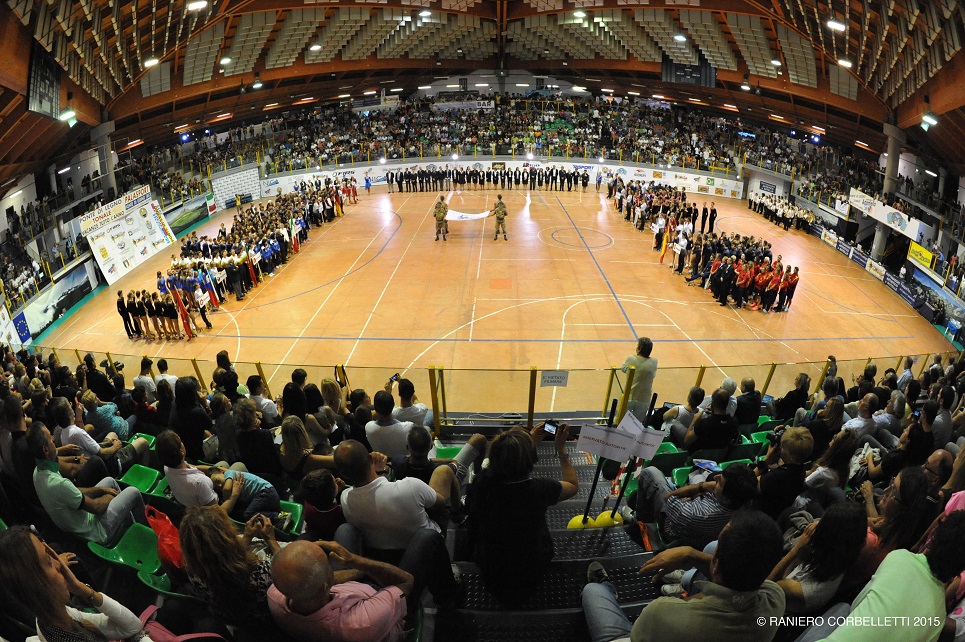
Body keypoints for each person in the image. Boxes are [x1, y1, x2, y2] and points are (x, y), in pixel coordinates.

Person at [582, 510, 785, 642]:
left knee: (592, 591)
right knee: (711, 547)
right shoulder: (776, 599)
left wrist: (691, 554)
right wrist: (692, 554)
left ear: (716, 566)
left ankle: (604, 586)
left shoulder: (661, 611)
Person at [800, 511, 965, 642]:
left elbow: (857, 605)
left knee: (843, 608)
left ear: (935, 538)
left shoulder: (899, 557)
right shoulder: (939, 616)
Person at [333, 440, 459, 609]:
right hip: (423, 545)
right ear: (370, 458)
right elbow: (439, 503)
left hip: (382, 552)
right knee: (443, 472)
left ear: (344, 475)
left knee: (345, 528)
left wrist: (382, 473)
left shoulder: (346, 498)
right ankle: (460, 513)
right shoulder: (411, 486)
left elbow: (377, 497)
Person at [466, 424, 577, 606]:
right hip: (531, 568)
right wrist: (561, 449)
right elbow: (572, 485)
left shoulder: (480, 484)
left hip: (491, 568)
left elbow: (499, 465)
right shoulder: (541, 489)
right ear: (531, 459)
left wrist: (527, 443)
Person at [0, 526, 148, 642]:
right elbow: (133, 629)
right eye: (48, 560)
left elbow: (132, 627)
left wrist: (80, 587)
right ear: (34, 584)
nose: (60, 563)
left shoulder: (50, 620)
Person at [268, 539, 410, 642]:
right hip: (383, 609)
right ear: (325, 587)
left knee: (346, 530)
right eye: (328, 565)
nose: (332, 567)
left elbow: (305, 578)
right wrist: (356, 561)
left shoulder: (274, 594)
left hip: (353, 590)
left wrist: (359, 572)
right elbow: (407, 581)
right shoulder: (361, 623)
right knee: (426, 536)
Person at [29, 422, 147, 545]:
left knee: (110, 481)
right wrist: (111, 496)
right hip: (96, 531)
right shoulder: (58, 484)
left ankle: (130, 525)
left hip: (82, 518)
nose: (54, 438)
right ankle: (146, 533)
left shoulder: (38, 472)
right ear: (46, 449)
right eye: (50, 438)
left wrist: (102, 490)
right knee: (133, 492)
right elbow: (97, 507)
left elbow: (74, 493)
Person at [179, 505, 280, 629]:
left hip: (231, 621)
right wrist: (271, 539)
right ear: (228, 534)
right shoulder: (262, 572)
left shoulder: (193, 573)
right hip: (264, 622)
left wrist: (247, 537)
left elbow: (218, 557)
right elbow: (289, 568)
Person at [768, 502, 868, 615]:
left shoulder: (806, 590)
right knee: (789, 513)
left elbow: (768, 585)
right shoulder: (841, 556)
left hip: (771, 605)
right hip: (792, 575)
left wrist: (797, 548)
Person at [632, 462, 759, 549]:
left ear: (727, 499)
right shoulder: (746, 501)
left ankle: (641, 521)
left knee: (650, 473)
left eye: (719, 482)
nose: (715, 478)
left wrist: (702, 486)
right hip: (702, 529)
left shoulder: (693, 514)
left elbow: (669, 497)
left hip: (675, 529)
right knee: (699, 475)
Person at [156, 429, 247, 511]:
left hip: (193, 500)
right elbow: (218, 514)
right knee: (239, 465)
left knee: (223, 464)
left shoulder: (168, 466)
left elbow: (194, 467)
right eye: (181, 442)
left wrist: (219, 469)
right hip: (214, 506)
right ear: (181, 451)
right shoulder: (199, 483)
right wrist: (234, 495)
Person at [366, 390, 427, 458]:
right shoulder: (408, 427)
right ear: (394, 405)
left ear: (375, 409)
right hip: (403, 464)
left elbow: (374, 415)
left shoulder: (368, 427)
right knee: (427, 428)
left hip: (382, 465)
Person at [169, 376, 214, 462]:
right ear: (193, 394)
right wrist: (205, 405)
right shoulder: (197, 411)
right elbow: (212, 428)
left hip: (182, 447)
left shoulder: (174, 404)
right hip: (197, 453)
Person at [682, 387, 739, 453]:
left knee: (675, 426)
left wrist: (695, 419)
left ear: (713, 403)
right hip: (719, 456)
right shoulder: (734, 422)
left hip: (698, 455)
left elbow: (686, 440)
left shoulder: (704, 423)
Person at [621, 337, 658, 424]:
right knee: (637, 423)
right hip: (644, 399)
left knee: (623, 420)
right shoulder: (654, 361)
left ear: (639, 348)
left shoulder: (631, 358)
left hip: (630, 396)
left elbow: (623, 368)